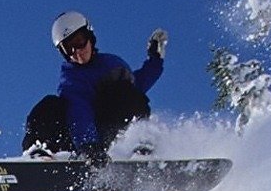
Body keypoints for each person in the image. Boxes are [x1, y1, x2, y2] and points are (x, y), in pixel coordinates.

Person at [23, 10, 166, 161]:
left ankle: (140, 148)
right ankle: (39, 154)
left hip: (111, 135)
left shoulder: (111, 65)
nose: (77, 52)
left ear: (90, 37)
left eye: (79, 42)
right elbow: (79, 111)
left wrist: (155, 59)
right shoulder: (73, 78)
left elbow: (136, 86)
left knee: (126, 93)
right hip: (80, 142)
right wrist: (89, 146)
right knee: (49, 105)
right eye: (69, 48)